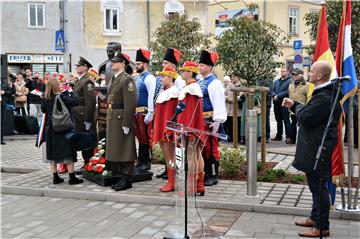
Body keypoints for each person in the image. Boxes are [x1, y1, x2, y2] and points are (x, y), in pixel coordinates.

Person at [282, 61, 341, 237]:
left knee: (319, 187)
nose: (309, 73)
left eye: (312, 71)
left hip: (318, 148)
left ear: (320, 76)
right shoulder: (322, 93)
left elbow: (306, 117)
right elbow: (307, 113)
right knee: (315, 186)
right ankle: (315, 218)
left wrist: (296, 107)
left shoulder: (324, 97)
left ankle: (322, 227)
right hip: (314, 145)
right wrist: (295, 105)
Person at [41, 77, 83, 185]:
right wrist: (71, 91)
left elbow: (43, 110)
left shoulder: (45, 98)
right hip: (63, 128)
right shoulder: (61, 97)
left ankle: (55, 177)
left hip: (50, 129)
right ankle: (72, 177)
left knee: (53, 153)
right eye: (59, 83)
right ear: (56, 86)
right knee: (68, 152)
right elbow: (76, 102)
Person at [107, 51, 137, 191]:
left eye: (115, 61)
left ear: (122, 64)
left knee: (124, 148)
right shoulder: (115, 78)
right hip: (113, 117)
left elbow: (130, 103)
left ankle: (127, 178)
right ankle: (121, 177)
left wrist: (127, 123)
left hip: (121, 118)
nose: (112, 63)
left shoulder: (127, 79)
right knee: (117, 148)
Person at [198, 50, 227, 186]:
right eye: (199, 64)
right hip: (200, 120)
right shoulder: (200, 81)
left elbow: (219, 102)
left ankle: (213, 175)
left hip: (210, 120)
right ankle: (205, 173)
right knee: (203, 148)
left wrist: (217, 121)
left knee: (211, 147)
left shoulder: (214, 83)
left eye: (203, 65)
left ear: (210, 67)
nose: (200, 67)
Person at [156, 47, 184, 180]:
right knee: (167, 151)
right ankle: (168, 170)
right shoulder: (168, 83)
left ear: (173, 65)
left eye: (166, 63)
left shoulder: (178, 81)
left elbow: (177, 104)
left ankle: (173, 172)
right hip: (165, 121)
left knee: (172, 150)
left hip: (172, 121)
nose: (163, 65)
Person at [178, 61, 205, 196]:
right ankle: (199, 185)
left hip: (189, 127)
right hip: (194, 126)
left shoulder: (191, 89)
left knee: (191, 156)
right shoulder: (193, 87)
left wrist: (184, 129)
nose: (181, 73)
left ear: (189, 72)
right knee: (197, 155)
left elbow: (187, 112)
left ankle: (191, 187)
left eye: (183, 71)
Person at [152, 66, 180, 192]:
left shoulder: (173, 93)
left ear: (170, 77)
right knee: (168, 156)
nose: (161, 79)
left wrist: (170, 130)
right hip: (162, 127)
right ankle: (171, 180)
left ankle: (172, 182)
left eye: (164, 77)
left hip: (167, 130)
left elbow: (174, 115)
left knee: (170, 156)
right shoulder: (165, 91)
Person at [134, 48, 157, 171]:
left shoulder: (149, 78)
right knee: (141, 138)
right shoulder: (139, 77)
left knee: (146, 139)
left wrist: (150, 112)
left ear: (145, 64)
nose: (136, 65)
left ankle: (146, 162)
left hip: (145, 112)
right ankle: (141, 160)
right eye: (136, 63)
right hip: (137, 112)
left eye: (139, 64)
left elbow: (151, 96)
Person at [73, 57, 97, 173]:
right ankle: (86, 163)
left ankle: (88, 164)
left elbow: (90, 102)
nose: (76, 68)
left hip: (84, 116)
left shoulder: (87, 81)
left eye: (78, 66)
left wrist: (88, 120)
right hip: (78, 116)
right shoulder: (80, 80)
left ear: (85, 67)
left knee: (86, 141)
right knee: (82, 140)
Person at [288, 69, 309, 144]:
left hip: (301, 108)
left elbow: (308, 97)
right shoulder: (291, 84)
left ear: (301, 75)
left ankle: (303, 140)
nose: (294, 76)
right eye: (294, 75)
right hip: (292, 108)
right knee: (293, 124)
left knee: (302, 125)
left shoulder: (306, 85)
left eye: (296, 75)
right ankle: (292, 139)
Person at [271, 67, 291, 141]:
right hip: (276, 103)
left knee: (286, 120)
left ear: (287, 72)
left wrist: (278, 96)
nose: (283, 72)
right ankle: (279, 136)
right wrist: (274, 95)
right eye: (282, 71)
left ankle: (288, 136)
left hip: (284, 103)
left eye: (284, 71)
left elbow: (288, 91)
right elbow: (272, 90)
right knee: (278, 120)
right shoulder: (276, 81)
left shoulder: (290, 81)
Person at [224, 72, 244, 143]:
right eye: (232, 76)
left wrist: (231, 99)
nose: (232, 78)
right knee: (229, 123)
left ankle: (237, 137)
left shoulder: (240, 85)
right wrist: (226, 98)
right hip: (229, 108)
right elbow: (224, 93)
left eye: (234, 76)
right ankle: (230, 137)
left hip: (236, 108)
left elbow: (240, 96)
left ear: (238, 77)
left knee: (237, 123)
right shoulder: (229, 85)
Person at [1, 77, 16, 145]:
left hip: (2, 104)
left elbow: (11, 92)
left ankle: (1, 139)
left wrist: (3, 92)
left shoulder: (4, 82)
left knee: (1, 122)